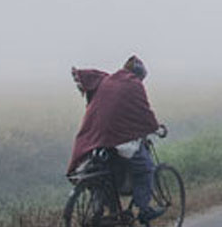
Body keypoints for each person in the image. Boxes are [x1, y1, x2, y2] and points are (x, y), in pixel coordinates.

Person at [67, 55, 166, 225]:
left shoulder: (108, 81)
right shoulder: (134, 84)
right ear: (139, 75)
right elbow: (144, 112)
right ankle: (144, 209)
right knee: (146, 168)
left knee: (104, 174)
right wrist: (156, 128)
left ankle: (106, 210)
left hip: (96, 139)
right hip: (118, 138)